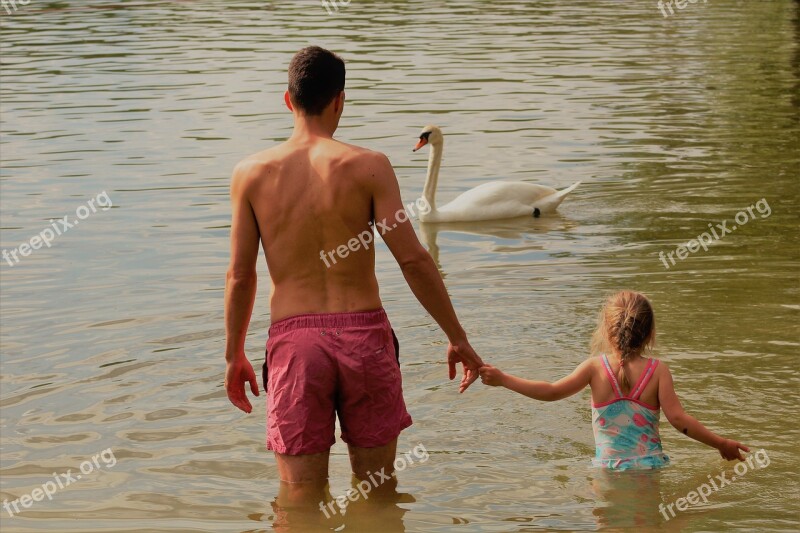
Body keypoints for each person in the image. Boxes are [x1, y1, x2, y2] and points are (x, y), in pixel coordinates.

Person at [223, 46, 484, 495]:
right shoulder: (370, 167)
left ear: (288, 100)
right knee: (379, 493)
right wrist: (457, 337)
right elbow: (413, 260)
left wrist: (234, 355)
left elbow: (240, 276)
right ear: (340, 100)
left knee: (299, 503)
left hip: (296, 345)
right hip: (364, 339)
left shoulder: (250, 173)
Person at [478, 290, 748, 470]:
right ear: (650, 334)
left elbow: (550, 392)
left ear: (606, 330)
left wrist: (504, 379)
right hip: (649, 468)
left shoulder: (594, 368)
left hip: (608, 471)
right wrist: (721, 443)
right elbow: (679, 420)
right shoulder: (658, 371)